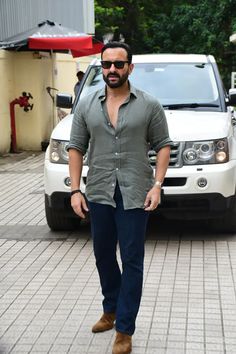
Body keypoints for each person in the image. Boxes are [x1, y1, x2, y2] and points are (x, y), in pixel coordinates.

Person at [67, 42, 172, 354]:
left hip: (135, 193)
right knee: (102, 255)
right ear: (102, 67)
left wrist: (157, 185)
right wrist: (75, 190)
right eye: (107, 64)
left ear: (130, 67)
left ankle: (125, 329)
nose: (112, 70)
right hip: (98, 190)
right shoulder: (86, 103)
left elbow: (163, 144)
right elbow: (75, 147)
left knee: (132, 260)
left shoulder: (149, 104)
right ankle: (110, 308)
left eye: (118, 64)